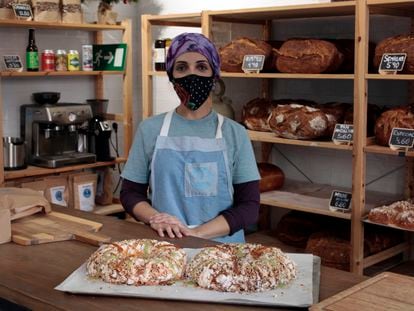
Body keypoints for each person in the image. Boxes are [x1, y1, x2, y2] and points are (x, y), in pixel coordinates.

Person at [120, 32, 260, 243]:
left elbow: (249, 206)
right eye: (182, 67)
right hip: (166, 245)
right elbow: (130, 194)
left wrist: (197, 234)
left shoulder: (235, 134)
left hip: (223, 249)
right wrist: (156, 219)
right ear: (171, 76)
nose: (191, 75)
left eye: (201, 67)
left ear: (214, 76)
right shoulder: (150, 129)